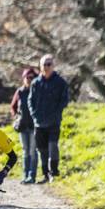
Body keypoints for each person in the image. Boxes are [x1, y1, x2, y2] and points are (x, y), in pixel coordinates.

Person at [28, 54, 70, 183]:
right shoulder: (35, 83)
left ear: (53, 66)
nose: (46, 67)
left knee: (53, 147)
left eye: (49, 64)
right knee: (42, 150)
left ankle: (54, 172)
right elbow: (31, 100)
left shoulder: (60, 82)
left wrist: (56, 113)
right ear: (40, 66)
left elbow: (64, 100)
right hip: (39, 123)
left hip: (54, 122)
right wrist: (34, 114)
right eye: (44, 64)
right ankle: (45, 174)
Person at [10, 67, 38, 183]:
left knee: (32, 151)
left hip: (34, 126)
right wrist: (16, 116)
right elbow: (13, 106)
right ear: (23, 78)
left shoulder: (38, 91)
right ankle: (25, 175)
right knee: (25, 151)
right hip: (23, 126)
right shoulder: (20, 91)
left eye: (31, 77)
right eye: (27, 77)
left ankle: (32, 176)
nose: (29, 79)